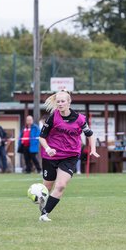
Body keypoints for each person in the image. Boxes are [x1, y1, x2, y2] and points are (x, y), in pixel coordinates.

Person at [38, 90, 100, 222]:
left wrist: (93, 149)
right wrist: (48, 148)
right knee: (47, 188)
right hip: (51, 156)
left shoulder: (80, 119)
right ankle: (42, 202)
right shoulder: (53, 117)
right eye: (58, 101)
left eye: (63, 101)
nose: (60, 104)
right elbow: (42, 137)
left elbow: (90, 134)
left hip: (70, 156)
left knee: (60, 185)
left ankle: (44, 214)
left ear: (69, 102)